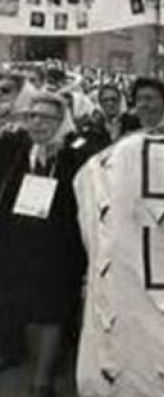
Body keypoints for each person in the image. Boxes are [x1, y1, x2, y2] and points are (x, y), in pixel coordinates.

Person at [0, 92, 95, 395]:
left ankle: (43, 378)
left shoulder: (76, 153)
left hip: (60, 246)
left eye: (46, 117)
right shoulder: (21, 149)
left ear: (62, 121)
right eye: (32, 116)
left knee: (53, 309)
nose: (37, 123)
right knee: (18, 302)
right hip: (21, 241)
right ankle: (18, 356)